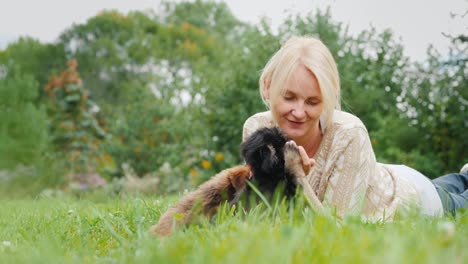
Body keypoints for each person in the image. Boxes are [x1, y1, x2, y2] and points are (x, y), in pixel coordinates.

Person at [242, 36, 467, 221]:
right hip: (383, 177)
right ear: (268, 87)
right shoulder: (257, 129)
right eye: (289, 97)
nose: (299, 112)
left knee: (458, 200)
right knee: (458, 180)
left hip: (412, 199)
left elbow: (334, 231)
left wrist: (298, 177)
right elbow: (268, 210)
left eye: (312, 102)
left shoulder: (349, 134)